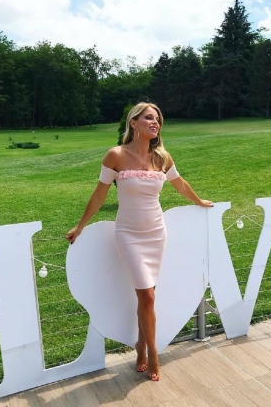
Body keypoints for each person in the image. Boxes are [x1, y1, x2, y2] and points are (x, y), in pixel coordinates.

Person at [66, 102, 213, 381]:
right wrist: (80, 225)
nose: (155, 122)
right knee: (146, 295)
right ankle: (153, 354)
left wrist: (198, 201)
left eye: (157, 119)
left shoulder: (162, 158)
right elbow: (99, 194)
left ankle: (141, 346)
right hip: (129, 235)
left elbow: (180, 184)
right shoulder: (116, 156)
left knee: (147, 297)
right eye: (148, 118)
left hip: (156, 233)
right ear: (134, 123)